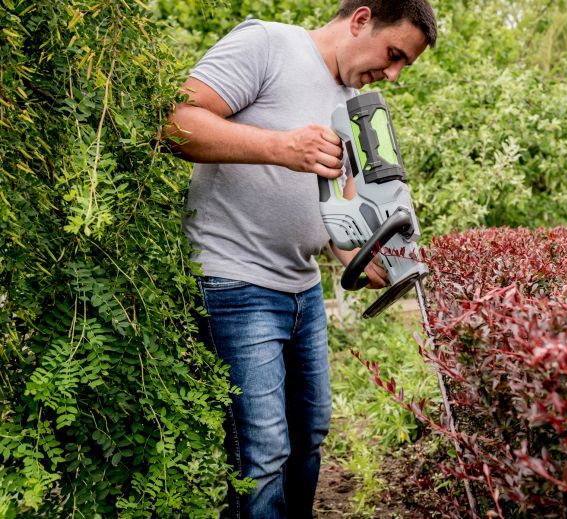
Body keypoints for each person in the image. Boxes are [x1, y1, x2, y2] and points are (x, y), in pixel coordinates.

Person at [164, 1, 437, 517]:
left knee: (308, 435)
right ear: (361, 19)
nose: (395, 75)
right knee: (263, 452)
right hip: (235, 281)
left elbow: (334, 206)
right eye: (394, 54)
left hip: (302, 287)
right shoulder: (268, 44)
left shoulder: (351, 102)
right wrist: (281, 147)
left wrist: (358, 254)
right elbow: (175, 122)